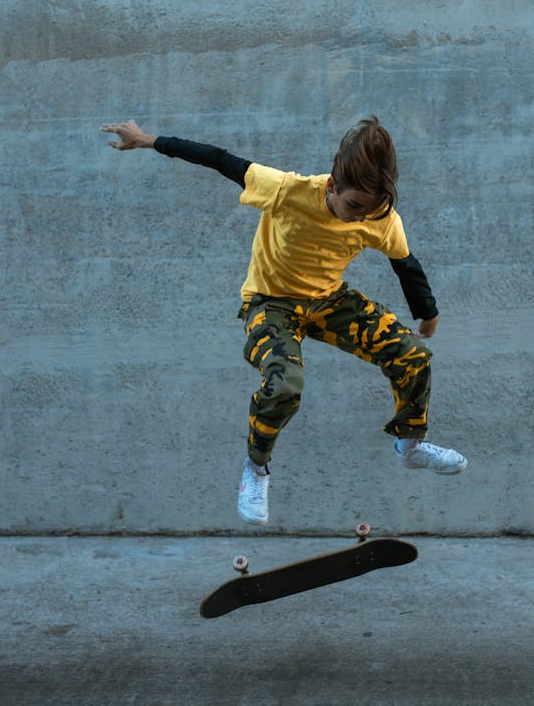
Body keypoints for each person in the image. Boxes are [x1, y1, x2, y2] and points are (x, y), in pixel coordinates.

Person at [101, 116, 467, 525]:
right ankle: (256, 468)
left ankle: (411, 444)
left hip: (328, 301)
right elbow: (218, 159)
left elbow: (406, 265)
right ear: (332, 186)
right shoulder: (285, 189)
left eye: (373, 211)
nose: (362, 219)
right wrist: (147, 140)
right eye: (355, 207)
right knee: (285, 383)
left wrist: (428, 315)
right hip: (269, 303)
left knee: (414, 355)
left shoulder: (381, 218)